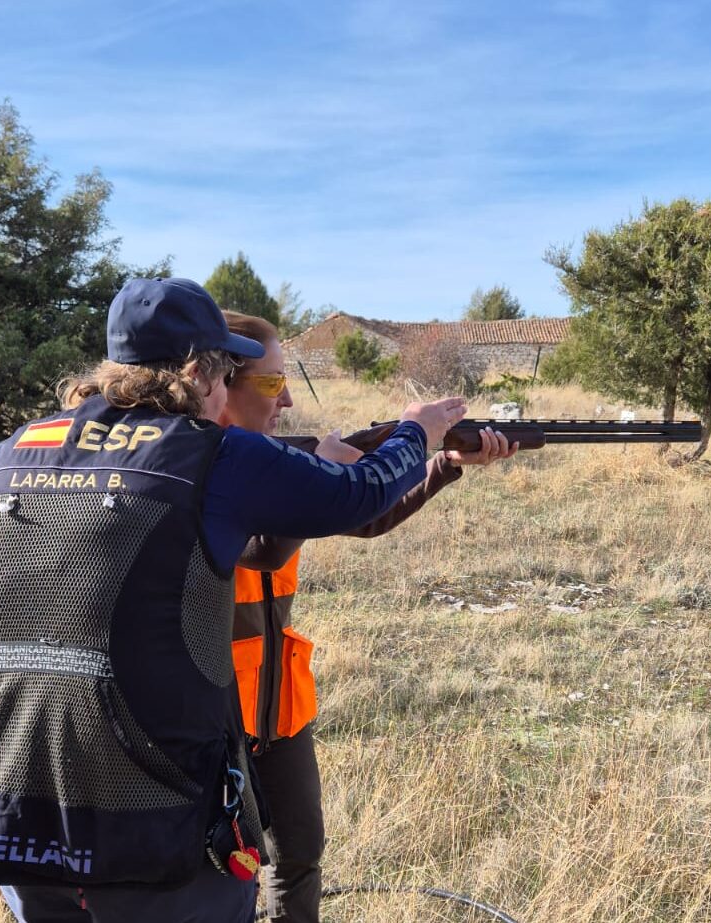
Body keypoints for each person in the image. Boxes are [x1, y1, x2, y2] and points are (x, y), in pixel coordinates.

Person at [0, 277, 467, 923]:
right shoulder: (211, 454)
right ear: (201, 372)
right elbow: (359, 492)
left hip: (14, 798)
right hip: (157, 816)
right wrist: (418, 431)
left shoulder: (8, 454)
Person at [219, 311, 516, 923]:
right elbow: (267, 545)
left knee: (299, 855)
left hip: (279, 706)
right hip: (214, 713)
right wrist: (349, 467)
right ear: (219, 385)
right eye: (274, 384)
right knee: (226, 870)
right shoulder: (195, 470)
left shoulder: (277, 465)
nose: (290, 398)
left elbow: (364, 516)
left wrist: (445, 465)